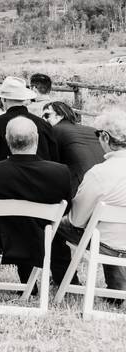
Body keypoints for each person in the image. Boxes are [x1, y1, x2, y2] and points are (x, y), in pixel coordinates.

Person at [0, 117, 72, 285]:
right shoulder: (60, 172)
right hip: (41, 234)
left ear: (7, 140)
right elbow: (66, 209)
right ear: (36, 139)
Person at [56, 109, 126, 292]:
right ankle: (118, 288)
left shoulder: (99, 172)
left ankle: (64, 280)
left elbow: (76, 220)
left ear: (105, 137)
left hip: (106, 244)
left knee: (56, 224)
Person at [0, 76, 58, 166]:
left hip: (4, 177)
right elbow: (53, 158)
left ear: (3, 99)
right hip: (39, 176)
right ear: (24, 98)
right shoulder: (43, 124)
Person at [43, 101, 103, 193]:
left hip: (80, 187)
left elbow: (49, 163)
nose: (43, 119)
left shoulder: (54, 130)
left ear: (60, 115)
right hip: (107, 182)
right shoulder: (92, 130)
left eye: (47, 116)